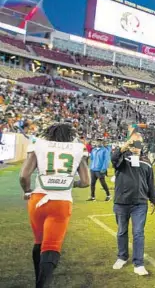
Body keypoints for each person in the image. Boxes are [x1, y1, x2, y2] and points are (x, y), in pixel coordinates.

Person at [19, 123, 90, 288]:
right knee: (51, 246)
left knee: (39, 242)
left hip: (37, 199)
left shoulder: (39, 145)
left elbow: (24, 176)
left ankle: (39, 279)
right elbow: (86, 182)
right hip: (61, 202)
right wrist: (72, 183)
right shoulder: (78, 148)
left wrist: (27, 190)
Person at [111, 132, 155, 275]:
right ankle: (122, 257)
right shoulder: (121, 158)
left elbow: (151, 182)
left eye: (138, 143)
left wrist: (153, 199)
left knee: (138, 233)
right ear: (128, 142)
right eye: (133, 142)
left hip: (140, 203)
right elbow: (113, 159)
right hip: (121, 202)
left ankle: (139, 263)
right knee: (121, 231)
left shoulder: (146, 161)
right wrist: (125, 147)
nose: (135, 146)